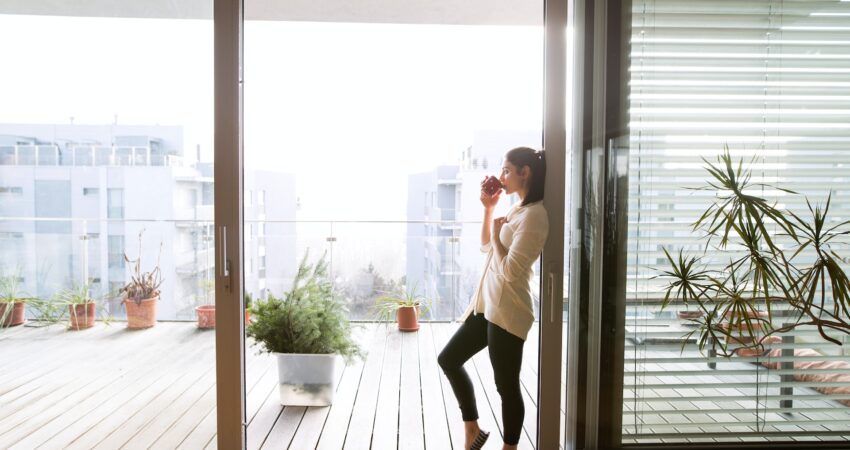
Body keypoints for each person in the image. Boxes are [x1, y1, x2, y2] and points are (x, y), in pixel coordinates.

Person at [438, 147, 549, 450]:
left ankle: (509, 447)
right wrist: (490, 210)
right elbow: (487, 246)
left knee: (506, 387)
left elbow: (511, 271)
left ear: (525, 172)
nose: (502, 177)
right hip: (487, 306)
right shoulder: (517, 209)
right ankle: (472, 428)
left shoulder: (535, 216)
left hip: (509, 311)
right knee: (448, 359)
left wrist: (500, 237)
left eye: (506, 170)